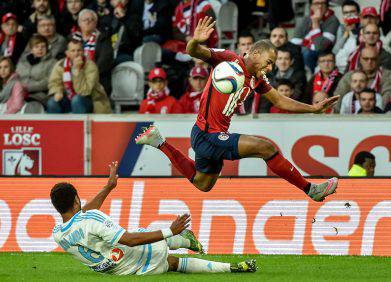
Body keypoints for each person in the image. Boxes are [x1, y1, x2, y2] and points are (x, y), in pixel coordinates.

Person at [136, 17, 339, 202]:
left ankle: (159, 142)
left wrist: (313, 108)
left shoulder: (257, 78)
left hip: (209, 135)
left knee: (203, 184)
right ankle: (310, 189)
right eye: (268, 63)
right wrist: (196, 41)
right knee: (266, 148)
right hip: (207, 134)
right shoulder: (228, 59)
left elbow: (279, 100)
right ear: (256, 53)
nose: (269, 68)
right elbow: (193, 51)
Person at [51, 161, 257, 275]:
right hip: (128, 252)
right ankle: (184, 239)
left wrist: (108, 187)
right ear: (77, 199)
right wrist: (170, 230)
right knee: (144, 233)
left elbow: (82, 217)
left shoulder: (58, 235)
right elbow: (130, 240)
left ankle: (232, 269)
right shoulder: (92, 217)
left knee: (173, 263)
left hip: (118, 270)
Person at [47, 38, 111, 113]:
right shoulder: (60, 65)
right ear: (67, 53)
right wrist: (58, 91)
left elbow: (84, 91)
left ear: (83, 52)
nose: (76, 53)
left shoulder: (90, 66)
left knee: (76, 99)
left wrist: (77, 71)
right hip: (68, 98)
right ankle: (57, 125)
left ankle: (78, 125)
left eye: (79, 50)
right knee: (52, 102)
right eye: (73, 51)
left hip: (90, 100)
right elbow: (54, 82)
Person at [291, 0, 339, 73]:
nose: (320, 6)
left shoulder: (332, 20)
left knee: (307, 53)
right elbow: (295, 40)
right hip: (306, 48)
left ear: (327, 5)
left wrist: (315, 23)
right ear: (311, 6)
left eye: (322, 3)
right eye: (316, 3)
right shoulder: (306, 18)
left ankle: (313, 75)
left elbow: (320, 46)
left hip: (324, 51)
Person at [76, 9, 113, 95]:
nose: (88, 22)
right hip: (75, 78)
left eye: (91, 20)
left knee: (78, 100)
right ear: (79, 23)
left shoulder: (103, 39)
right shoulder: (72, 39)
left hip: (97, 81)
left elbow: (104, 62)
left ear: (96, 24)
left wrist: (89, 74)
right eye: (84, 20)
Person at [16, 34, 56, 106]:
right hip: (19, 93)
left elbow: (49, 81)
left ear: (47, 48)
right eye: (36, 46)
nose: (40, 49)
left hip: (40, 95)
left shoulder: (52, 62)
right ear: (31, 49)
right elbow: (15, 77)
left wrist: (27, 87)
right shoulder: (22, 61)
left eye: (43, 46)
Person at [333, 0, 361, 72]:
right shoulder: (342, 28)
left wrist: (354, 30)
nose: (349, 15)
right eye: (346, 13)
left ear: (358, 13)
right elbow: (335, 51)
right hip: (342, 64)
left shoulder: (363, 26)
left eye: (352, 12)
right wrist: (346, 33)